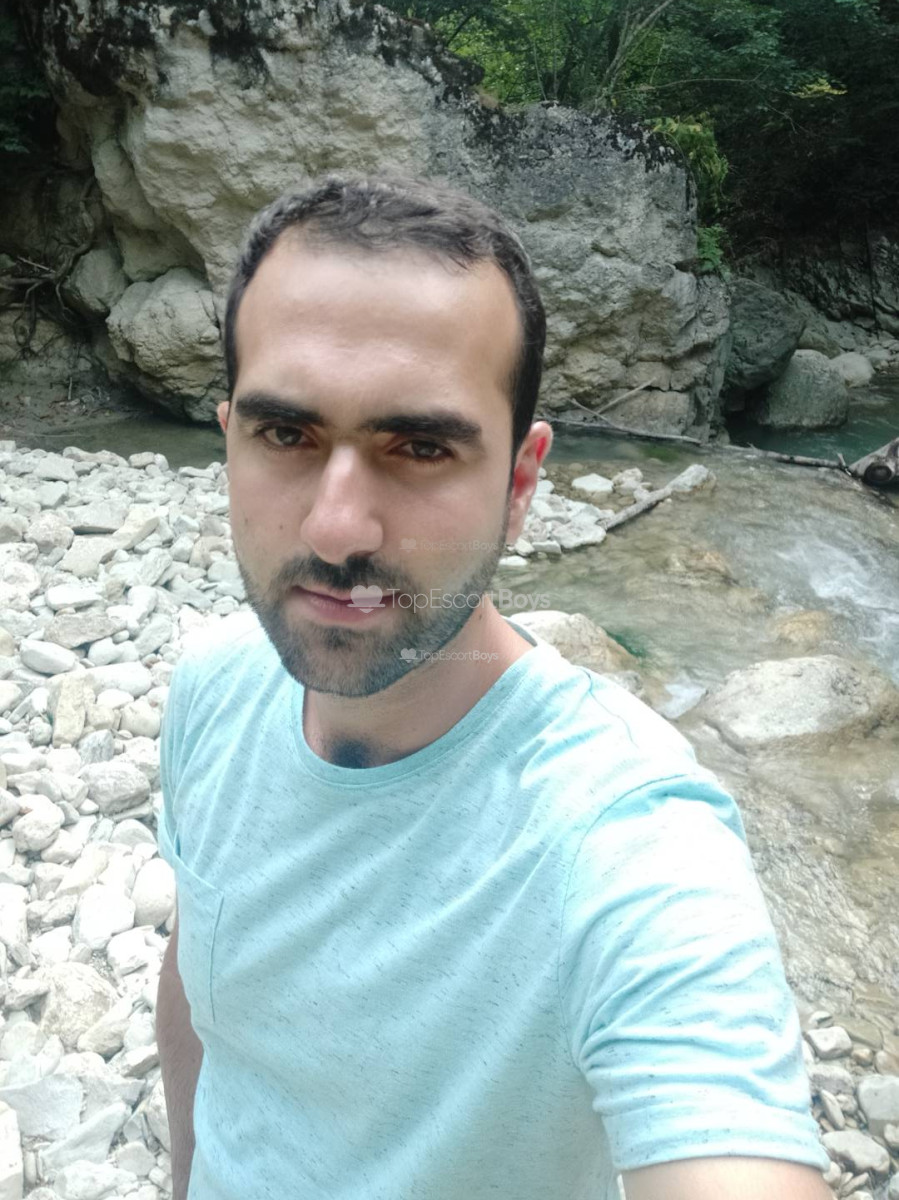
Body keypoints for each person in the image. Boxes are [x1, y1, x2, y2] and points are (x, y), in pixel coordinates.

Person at [156, 175, 832, 1200]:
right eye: (286, 434)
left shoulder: (623, 837)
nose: (334, 529)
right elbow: (200, 994)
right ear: (229, 439)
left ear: (519, 483)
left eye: (420, 447)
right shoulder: (215, 687)